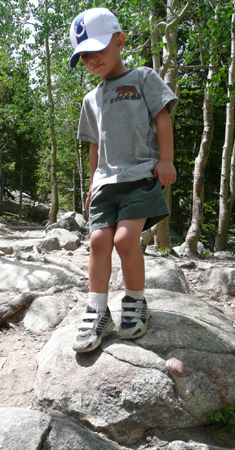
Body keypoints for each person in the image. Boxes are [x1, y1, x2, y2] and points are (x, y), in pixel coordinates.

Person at [69, 8, 178, 352]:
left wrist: (166, 159)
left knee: (125, 240)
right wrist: (91, 184)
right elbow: (93, 146)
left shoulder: (144, 78)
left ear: (120, 40)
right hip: (105, 183)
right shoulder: (91, 99)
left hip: (139, 175)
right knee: (99, 242)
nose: (91, 59)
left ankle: (135, 301)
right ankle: (98, 310)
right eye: (83, 55)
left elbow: (162, 119)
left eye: (97, 49)